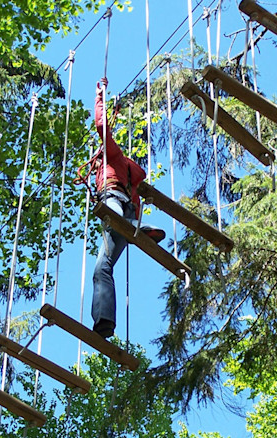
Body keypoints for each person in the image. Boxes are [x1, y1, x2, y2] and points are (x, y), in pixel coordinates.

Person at [91, 78, 165, 339]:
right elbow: (139, 182)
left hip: (114, 200)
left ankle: (138, 228)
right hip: (127, 209)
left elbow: (102, 126)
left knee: (112, 217)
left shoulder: (112, 155)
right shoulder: (131, 173)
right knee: (102, 268)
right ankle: (104, 322)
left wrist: (100, 98)